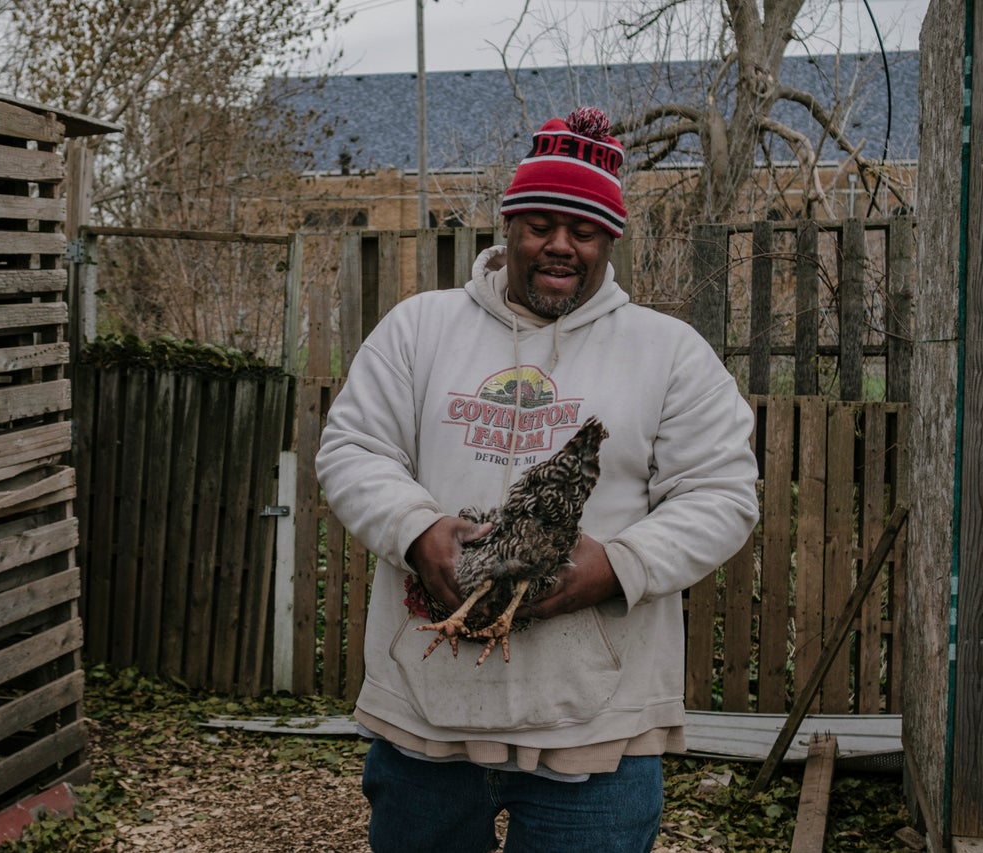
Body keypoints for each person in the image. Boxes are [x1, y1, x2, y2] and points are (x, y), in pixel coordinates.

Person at [315, 107, 759, 853]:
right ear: (509, 226)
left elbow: (722, 493)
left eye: (582, 229)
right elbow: (353, 447)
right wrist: (418, 532)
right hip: (430, 711)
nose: (560, 244)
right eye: (540, 223)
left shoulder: (669, 352)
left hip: (597, 723)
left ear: (608, 239)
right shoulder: (418, 329)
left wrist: (614, 567)